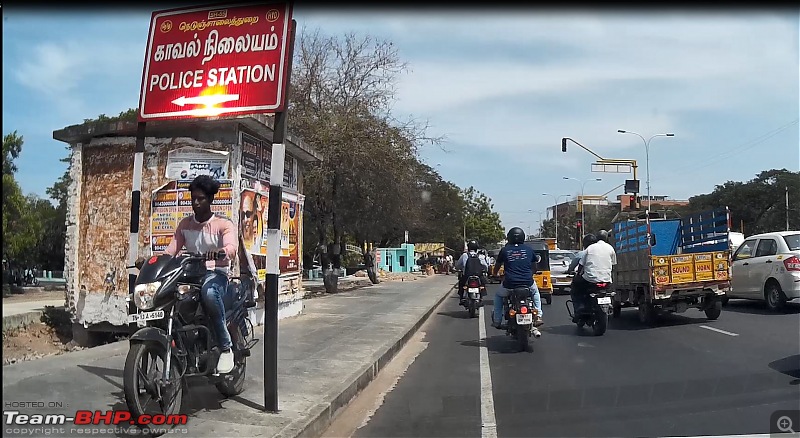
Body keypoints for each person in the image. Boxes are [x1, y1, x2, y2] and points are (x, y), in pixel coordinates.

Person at [163, 175, 238, 374]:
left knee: (209, 293)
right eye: (193, 198)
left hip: (216, 274)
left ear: (210, 200)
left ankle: (225, 347)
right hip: (190, 275)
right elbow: (170, 252)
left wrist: (221, 252)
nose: (196, 203)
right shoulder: (185, 224)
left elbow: (231, 248)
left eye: (201, 198)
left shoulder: (223, 224)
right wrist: (153, 261)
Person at [492, 227, 543, 328]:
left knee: (498, 296)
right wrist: (531, 273)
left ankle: (497, 320)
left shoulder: (505, 250)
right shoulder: (529, 249)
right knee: (535, 293)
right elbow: (534, 266)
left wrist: (494, 274)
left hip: (509, 284)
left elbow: (497, 265)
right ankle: (539, 316)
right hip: (528, 283)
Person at [571, 230, 617, 322]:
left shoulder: (590, 248)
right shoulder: (610, 248)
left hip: (590, 280)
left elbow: (581, 265)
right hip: (606, 280)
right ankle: (610, 303)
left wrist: (578, 276)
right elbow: (614, 264)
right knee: (609, 291)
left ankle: (580, 307)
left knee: (575, 288)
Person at [568, 233, 598, 316]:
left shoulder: (583, 253)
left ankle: (579, 307)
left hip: (588, 279)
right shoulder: (603, 251)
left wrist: (570, 271)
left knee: (575, 290)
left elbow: (575, 266)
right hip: (605, 278)